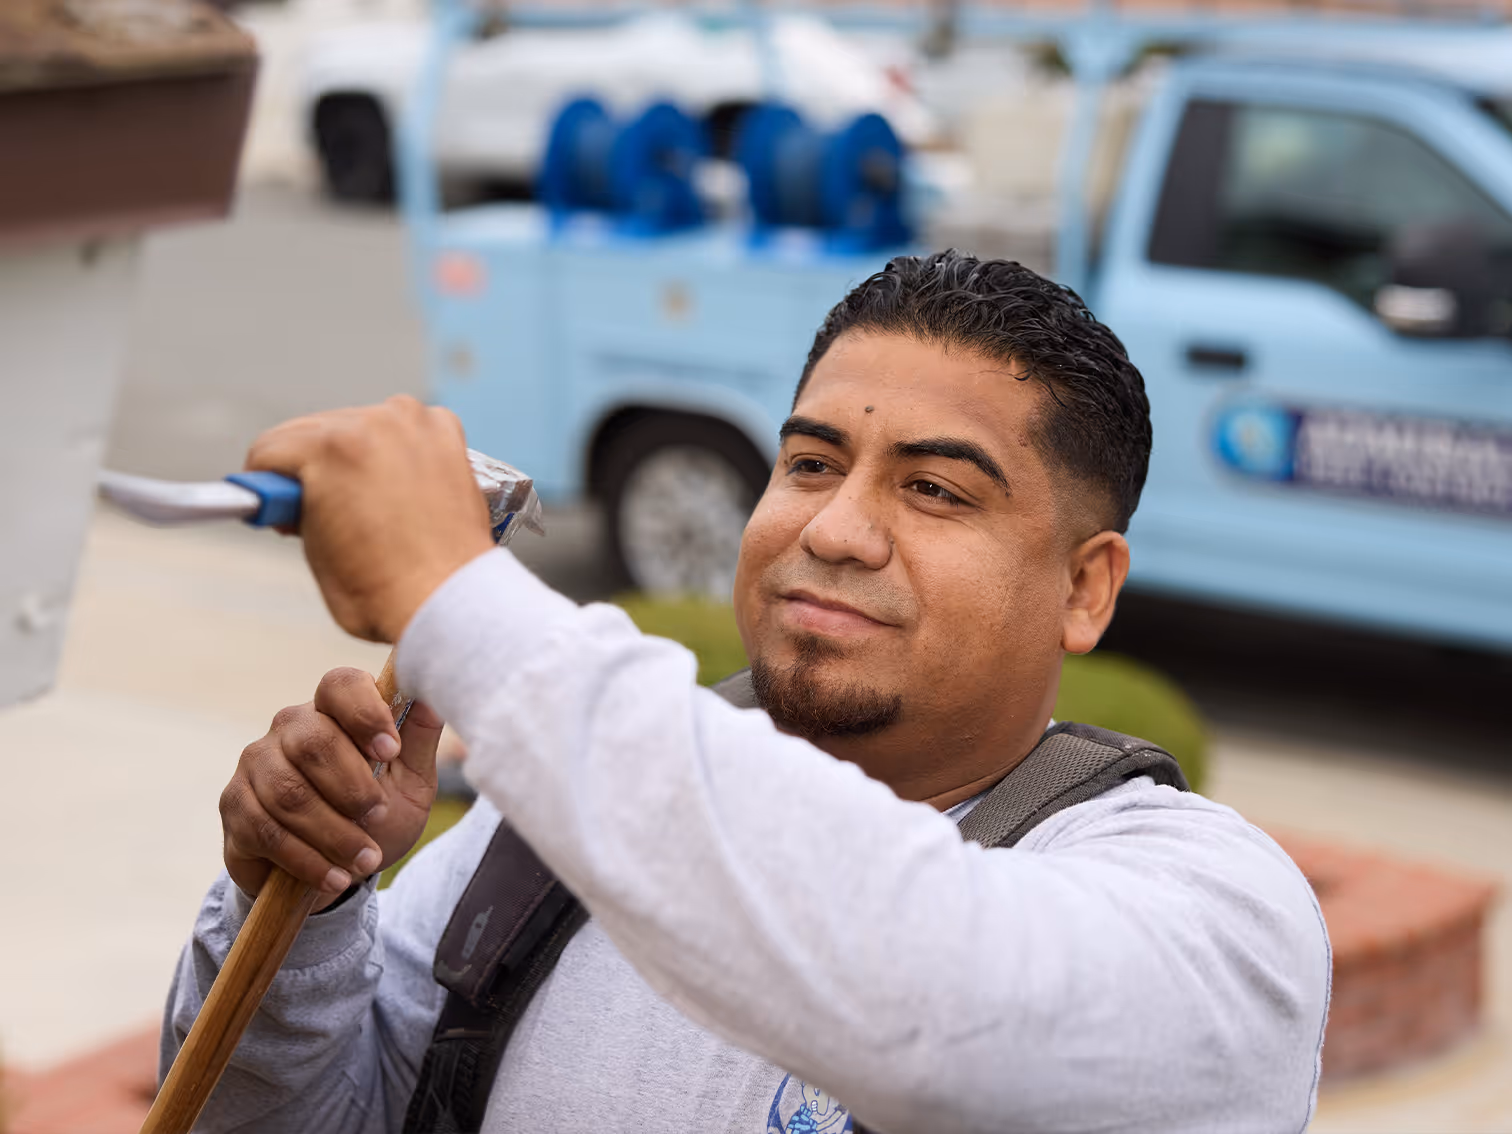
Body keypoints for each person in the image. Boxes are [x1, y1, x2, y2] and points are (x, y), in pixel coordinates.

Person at [164, 252, 1330, 1133]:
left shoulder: (1220, 918)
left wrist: (459, 603)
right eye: (811, 463)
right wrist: (307, 915)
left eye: (934, 491)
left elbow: (936, 1007)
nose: (834, 528)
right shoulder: (552, 841)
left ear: (1086, 589)